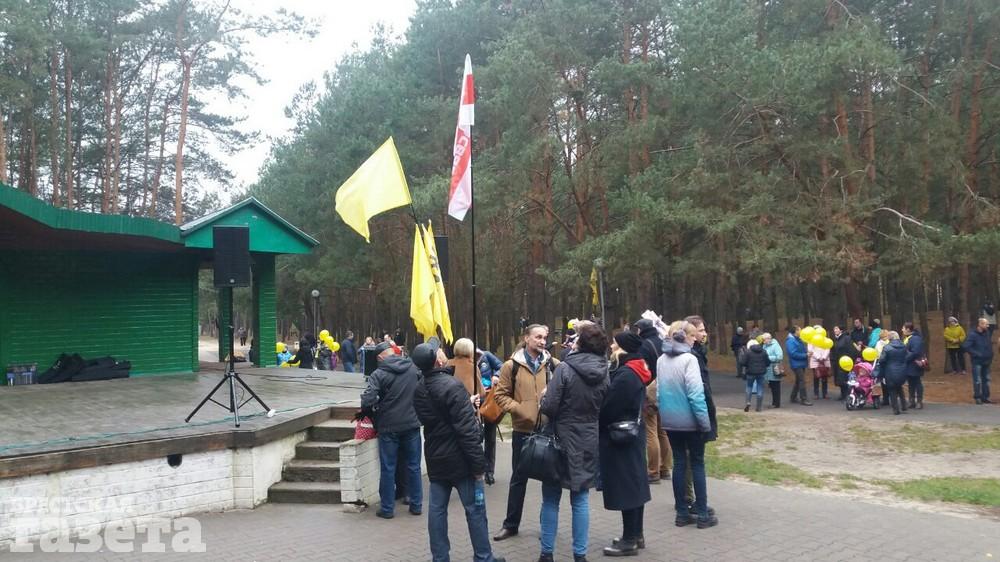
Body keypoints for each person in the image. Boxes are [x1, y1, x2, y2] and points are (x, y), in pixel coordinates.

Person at [411, 339, 506, 562]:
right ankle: (483, 557)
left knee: (437, 511)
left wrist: (465, 402)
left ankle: (440, 557)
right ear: (437, 361)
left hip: (436, 456)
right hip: (461, 459)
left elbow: (436, 418)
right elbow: (467, 431)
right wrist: (479, 466)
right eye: (439, 352)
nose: (443, 353)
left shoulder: (419, 389)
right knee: (475, 510)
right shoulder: (452, 386)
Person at [536, 321, 609, 562]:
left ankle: (547, 553)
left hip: (560, 439)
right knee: (580, 498)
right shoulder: (605, 371)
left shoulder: (564, 369)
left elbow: (549, 406)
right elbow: (604, 405)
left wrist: (543, 398)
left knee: (550, 497)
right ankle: (580, 554)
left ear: (581, 343)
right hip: (588, 439)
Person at [493, 324, 558, 542]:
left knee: (549, 480)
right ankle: (511, 525)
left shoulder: (553, 364)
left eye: (544, 338)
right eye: (538, 337)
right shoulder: (511, 366)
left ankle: (546, 527)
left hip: (547, 431)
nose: (542, 341)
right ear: (526, 338)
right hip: (523, 431)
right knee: (518, 478)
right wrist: (521, 409)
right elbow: (500, 395)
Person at [657, 321, 717, 529]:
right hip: (691, 421)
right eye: (693, 336)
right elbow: (695, 394)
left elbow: (659, 393)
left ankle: (682, 513)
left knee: (679, 463)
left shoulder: (661, 359)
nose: (695, 340)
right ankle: (702, 514)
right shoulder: (689, 359)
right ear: (685, 337)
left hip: (671, 421)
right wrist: (704, 422)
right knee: (697, 464)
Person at [599, 331, 652, 556]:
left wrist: (598, 420)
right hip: (633, 435)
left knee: (627, 488)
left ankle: (629, 540)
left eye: (615, 343)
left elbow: (610, 408)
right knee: (635, 485)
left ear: (623, 348)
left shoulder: (626, 375)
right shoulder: (636, 370)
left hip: (620, 437)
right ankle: (636, 534)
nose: (611, 347)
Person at [360, 341, 423, 518]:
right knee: (414, 466)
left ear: (380, 357)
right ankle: (416, 505)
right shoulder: (412, 368)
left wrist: (373, 407)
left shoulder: (378, 374)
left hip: (389, 426)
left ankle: (387, 509)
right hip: (411, 424)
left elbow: (368, 400)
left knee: (388, 468)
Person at [635, 318, 671, 484]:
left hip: (650, 390)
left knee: (650, 431)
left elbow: (643, 369)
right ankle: (665, 468)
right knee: (663, 431)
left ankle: (653, 471)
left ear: (641, 329)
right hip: (665, 388)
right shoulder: (662, 342)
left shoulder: (644, 346)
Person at [476, 347, 505, 484]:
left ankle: (489, 471)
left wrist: (497, 375)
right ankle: (477, 469)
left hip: (489, 401)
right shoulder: (465, 360)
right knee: (475, 437)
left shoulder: (486, 356)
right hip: (474, 401)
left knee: (490, 437)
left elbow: (502, 367)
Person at [876, 331, 908, 414]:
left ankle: (896, 409)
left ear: (889, 338)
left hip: (890, 370)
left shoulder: (887, 347)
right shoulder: (904, 346)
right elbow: (907, 357)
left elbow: (882, 360)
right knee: (899, 386)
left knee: (892, 388)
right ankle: (904, 405)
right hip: (902, 370)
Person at [962, 318, 993, 404]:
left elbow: (988, 345)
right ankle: (977, 397)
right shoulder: (973, 335)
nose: (988, 326)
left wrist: (990, 354)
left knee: (986, 379)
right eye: (986, 324)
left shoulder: (987, 333)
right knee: (977, 380)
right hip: (977, 361)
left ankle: (985, 397)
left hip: (987, 360)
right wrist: (976, 354)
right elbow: (966, 346)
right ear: (980, 324)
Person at [740, 338, 769, 412]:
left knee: (749, 387)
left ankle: (748, 402)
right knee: (760, 388)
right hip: (761, 373)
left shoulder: (748, 352)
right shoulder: (764, 351)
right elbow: (768, 362)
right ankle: (758, 406)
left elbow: (743, 362)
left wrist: (747, 365)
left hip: (750, 372)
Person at [786, 326, 812, 406]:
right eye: (800, 330)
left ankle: (793, 397)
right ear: (795, 331)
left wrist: (807, 352)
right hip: (796, 364)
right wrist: (805, 355)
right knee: (802, 381)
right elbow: (793, 353)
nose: (801, 331)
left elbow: (801, 349)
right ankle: (803, 399)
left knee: (798, 381)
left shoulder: (798, 339)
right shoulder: (791, 341)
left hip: (801, 363)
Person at [902, 322, 925, 409]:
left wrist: (905, 358)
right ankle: (912, 401)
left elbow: (915, 352)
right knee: (911, 383)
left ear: (908, 329)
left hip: (914, 364)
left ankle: (919, 401)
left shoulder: (915, 339)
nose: (902, 330)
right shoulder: (908, 338)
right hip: (909, 364)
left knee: (917, 382)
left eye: (903, 328)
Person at [832, 325, 857, 401]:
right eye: (834, 329)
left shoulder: (846, 338)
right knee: (840, 379)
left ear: (841, 330)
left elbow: (852, 350)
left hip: (845, 362)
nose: (835, 330)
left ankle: (847, 395)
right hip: (837, 362)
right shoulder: (835, 339)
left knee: (845, 379)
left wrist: (850, 360)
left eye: (837, 328)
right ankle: (842, 394)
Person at [762, 333, 784, 408]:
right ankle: (774, 402)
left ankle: (776, 403)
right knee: (772, 386)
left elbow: (780, 356)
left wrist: (768, 358)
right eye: (764, 340)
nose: (764, 341)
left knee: (776, 386)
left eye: (765, 339)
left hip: (775, 368)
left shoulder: (775, 345)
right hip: (768, 369)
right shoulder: (764, 345)